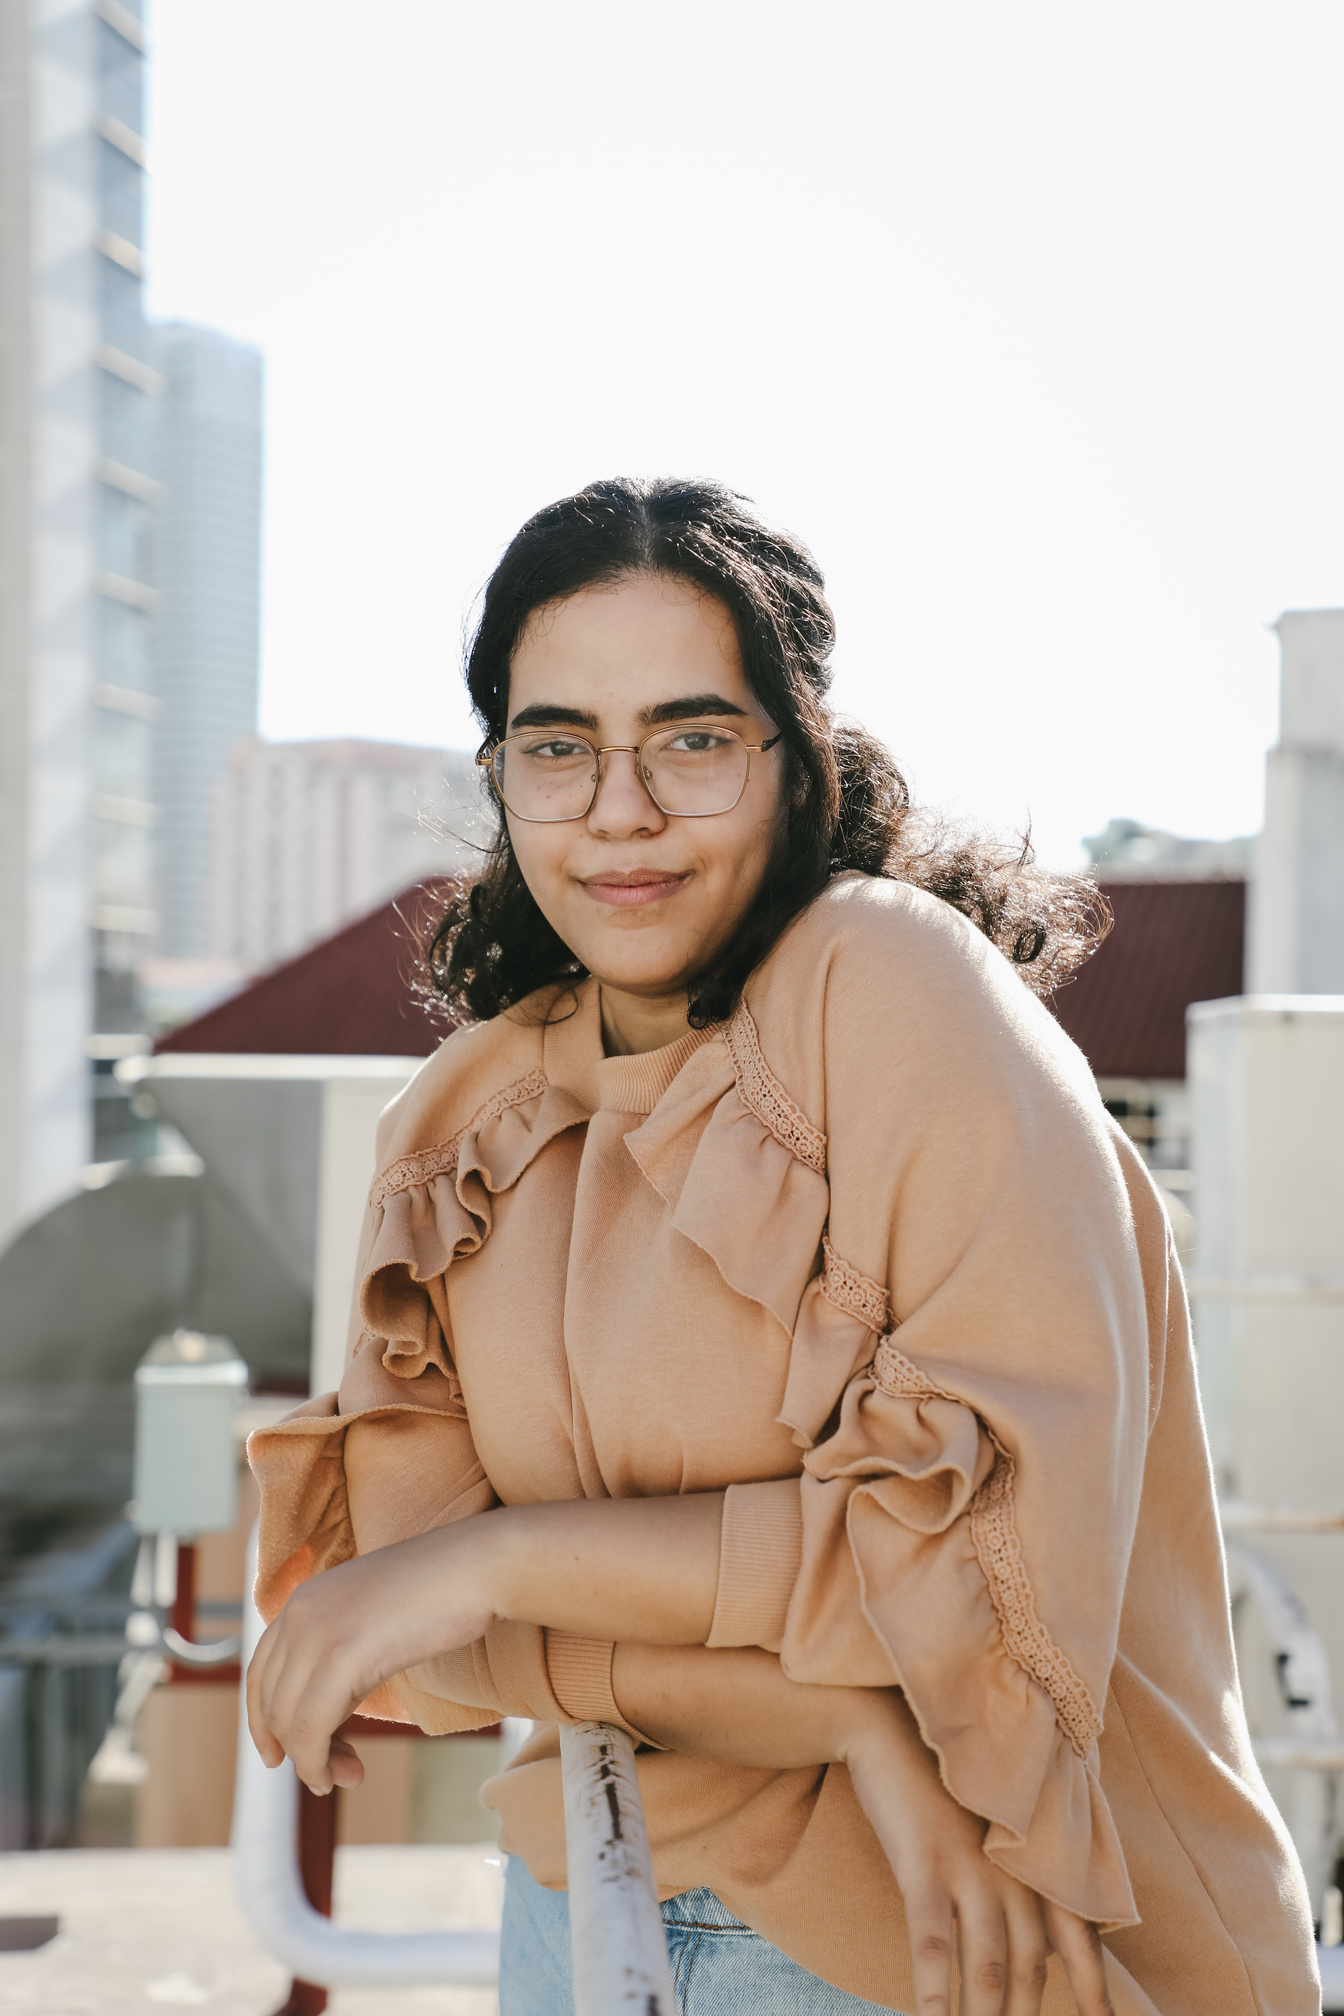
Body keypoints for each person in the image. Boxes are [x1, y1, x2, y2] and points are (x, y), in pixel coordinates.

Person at [246, 478, 1318, 2016]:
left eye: (690, 739)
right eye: (559, 748)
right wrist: (844, 1724)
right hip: (582, 1905)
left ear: (795, 754)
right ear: (501, 776)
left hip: (975, 1932)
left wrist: (511, 1555)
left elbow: (992, 1589)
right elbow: (416, 1643)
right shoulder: (464, 1120)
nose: (622, 809)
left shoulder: (889, 989)